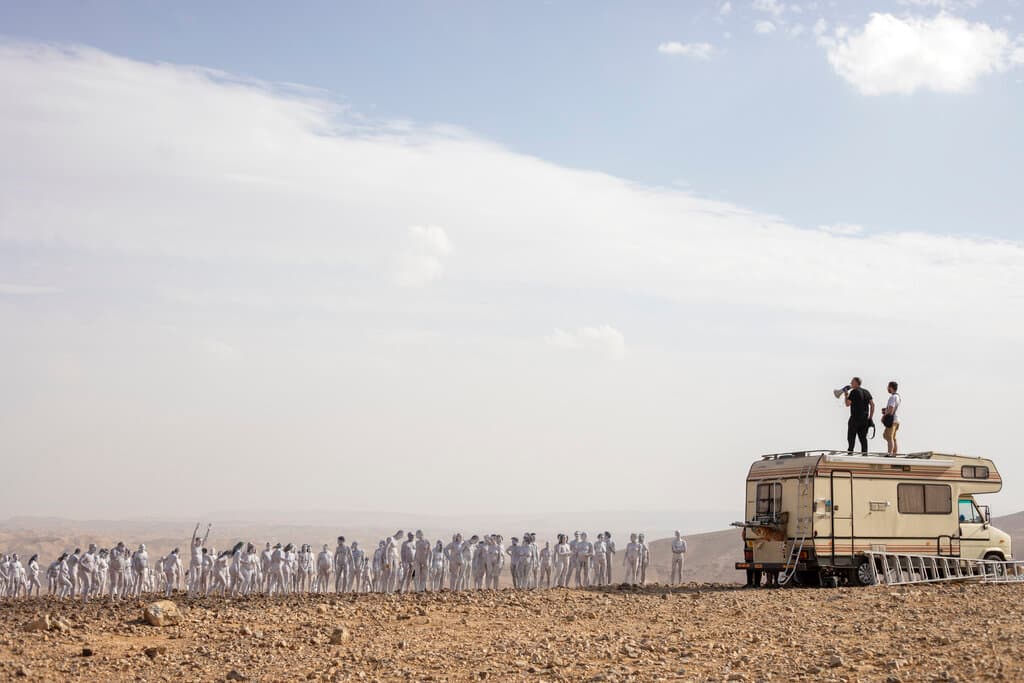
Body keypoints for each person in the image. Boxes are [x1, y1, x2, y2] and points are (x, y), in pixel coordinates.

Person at [843, 377, 874, 454]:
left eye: (852, 382)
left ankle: (850, 453)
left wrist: (846, 395)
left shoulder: (854, 392)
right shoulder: (866, 392)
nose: (851, 384)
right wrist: (870, 417)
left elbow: (847, 404)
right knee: (863, 438)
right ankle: (865, 454)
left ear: (856, 383)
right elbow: (872, 405)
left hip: (855, 419)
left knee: (851, 437)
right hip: (864, 419)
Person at [882, 380, 901, 455]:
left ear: (891, 387)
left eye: (888, 387)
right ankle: (894, 453)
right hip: (896, 420)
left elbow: (891, 409)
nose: (887, 388)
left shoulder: (893, 397)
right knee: (891, 437)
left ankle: (890, 453)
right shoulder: (898, 397)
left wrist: (884, 416)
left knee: (889, 437)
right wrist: (886, 410)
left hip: (892, 420)